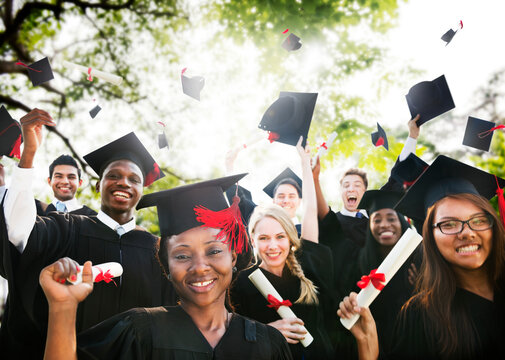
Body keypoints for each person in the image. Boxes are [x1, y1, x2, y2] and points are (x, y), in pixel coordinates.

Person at [40, 174, 292, 359]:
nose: (200, 266)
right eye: (182, 256)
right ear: (166, 265)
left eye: (214, 250)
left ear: (234, 257)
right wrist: (62, 307)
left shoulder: (269, 344)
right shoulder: (138, 331)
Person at [0, 108, 175, 359]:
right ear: (98, 185)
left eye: (133, 179)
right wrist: (28, 154)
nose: (123, 182)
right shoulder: (66, 227)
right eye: (113, 175)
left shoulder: (157, 251)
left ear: (140, 190)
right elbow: (18, 230)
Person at [338, 155, 505, 360]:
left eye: (478, 220)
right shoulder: (419, 317)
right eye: (449, 224)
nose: (467, 233)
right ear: (430, 237)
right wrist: (368, 344)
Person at [230, 137, 335, 359]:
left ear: (291, 239)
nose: (273, 246)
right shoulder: (241, 283)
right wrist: (267, 332)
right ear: (253, 240)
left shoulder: (307, 267)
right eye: (264, 238)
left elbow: (309, 212)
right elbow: (233, 340)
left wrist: (305, 165)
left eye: (280, 237)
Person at [225, 145, 303, 235]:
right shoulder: (259, 218)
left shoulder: (306, 232)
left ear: (299, 201)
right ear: (274, 201)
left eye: (291, 196)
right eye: (281, 196)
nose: (286, 200)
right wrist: (229, 167)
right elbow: (240, 202)